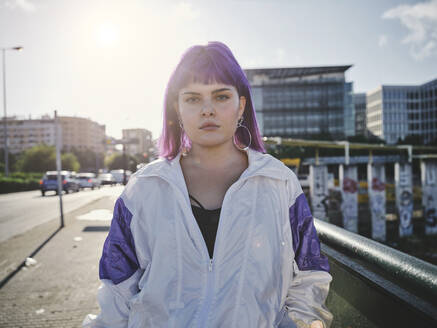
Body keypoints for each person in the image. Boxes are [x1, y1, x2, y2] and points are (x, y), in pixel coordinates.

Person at [83, 41, 333, 328]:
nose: (207, 110)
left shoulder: (278, 182)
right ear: (176, 108)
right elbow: (117, 290)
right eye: (192, 98)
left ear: (241, 106)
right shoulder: (144, 188)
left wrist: (299, 322)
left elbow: (310, 272)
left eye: (221, 96)